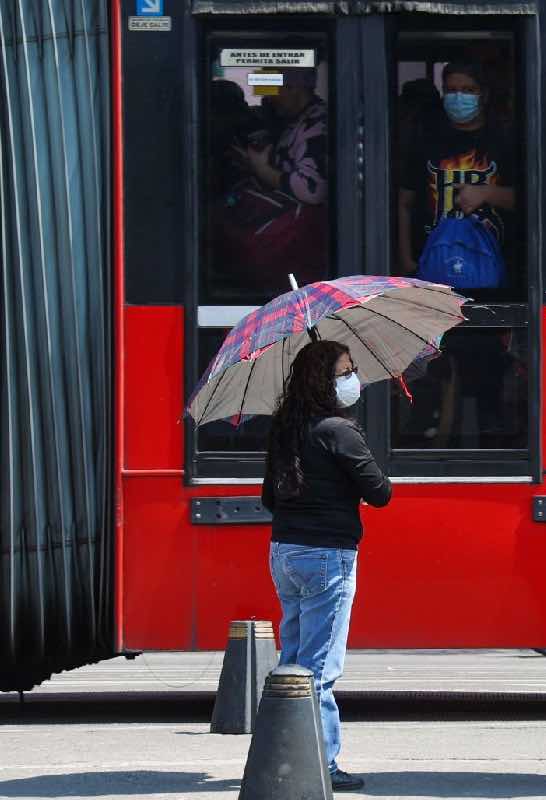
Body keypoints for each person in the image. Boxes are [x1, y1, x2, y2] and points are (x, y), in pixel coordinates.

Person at [262, 340, 392, 793]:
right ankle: (321, 763)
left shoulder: (284, 427)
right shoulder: (340, 431)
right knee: (319, 669)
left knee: (292, 661)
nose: (352, 379)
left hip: (285, 552)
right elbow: (380, 492)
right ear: (323, 380)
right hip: (328, 556)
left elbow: (269, 497)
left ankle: (281, 757)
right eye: (345, 371)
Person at [397, 61, 517, 279]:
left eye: (468, 90)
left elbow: (528, 202)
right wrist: (406, 260)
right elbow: (405, 203)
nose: (459, 97)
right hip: (433, 265)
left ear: (484, 95)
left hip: (490, 266)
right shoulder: (426, 140)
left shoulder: (504, 142)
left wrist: (487, 193)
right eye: (451, 90)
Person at [219, 66, 330, 289]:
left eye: (273, 90)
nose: (269, 99)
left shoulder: (316, 125)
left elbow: (311, 189)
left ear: (294, 88)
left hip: (297, 237)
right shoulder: (296, 121)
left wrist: (262, 169)